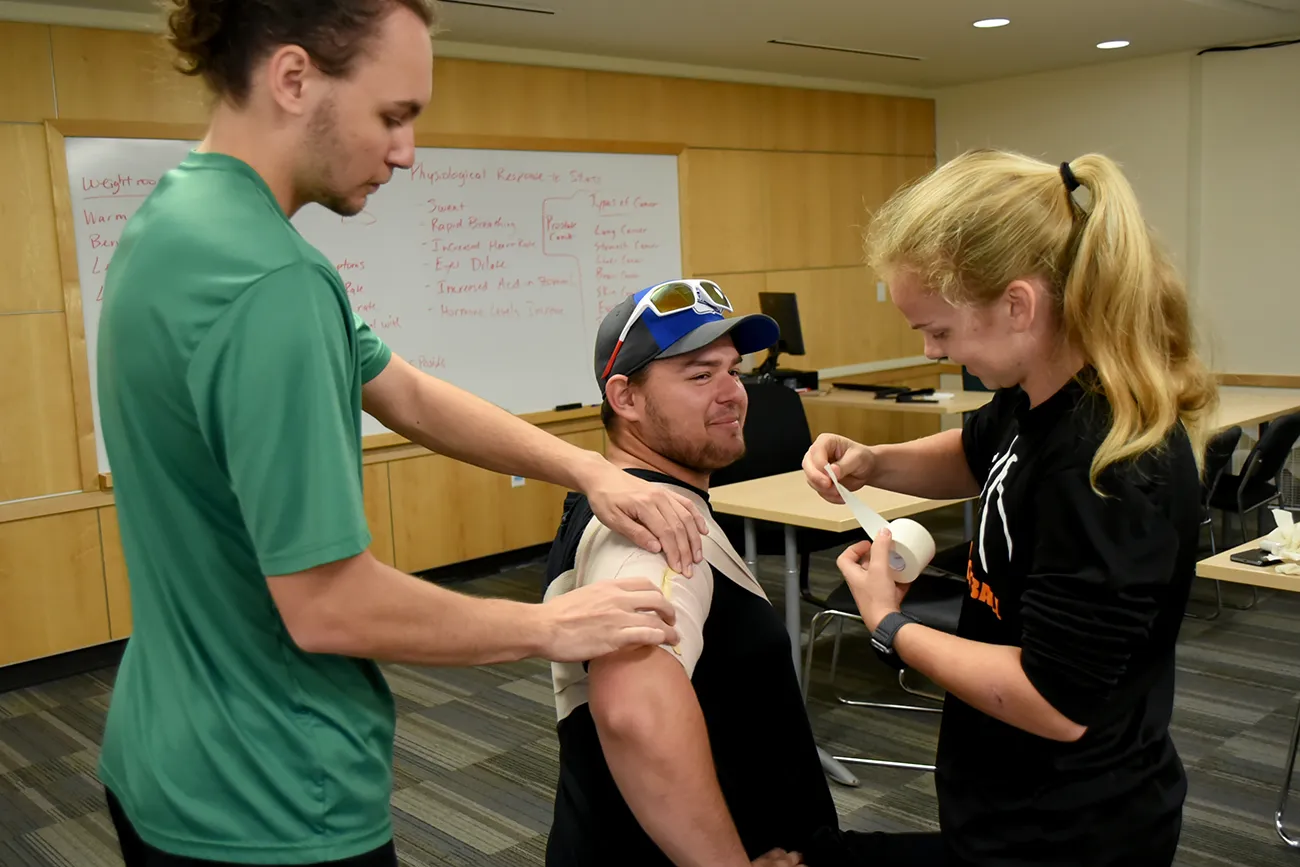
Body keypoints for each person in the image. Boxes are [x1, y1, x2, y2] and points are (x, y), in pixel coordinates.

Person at [94, 2, 708, 865]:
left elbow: (405, 392)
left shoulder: (178, 221)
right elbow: (329, 603)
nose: (407, 152)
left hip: (161, 754)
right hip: (271, 794)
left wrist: (588, 468)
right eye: (393, 115)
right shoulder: (273, 281)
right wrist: (552, 625)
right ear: (294, 78)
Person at [802, 149, 1218, 866]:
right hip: (1010, 793)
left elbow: (1051, 704)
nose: (935, 351)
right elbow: (977, 452)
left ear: (1018, 305)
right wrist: (876, 463)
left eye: (938, 330)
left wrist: (889, 623)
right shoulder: (1037, 398)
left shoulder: (1106, 466)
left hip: (1071, 824)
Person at [540, 280, 836, 867]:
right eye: (701, 376)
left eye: (734, 369)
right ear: (624, 398)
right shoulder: (653, 535)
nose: (735, 393)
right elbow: (635, 712)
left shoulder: (644, 501)